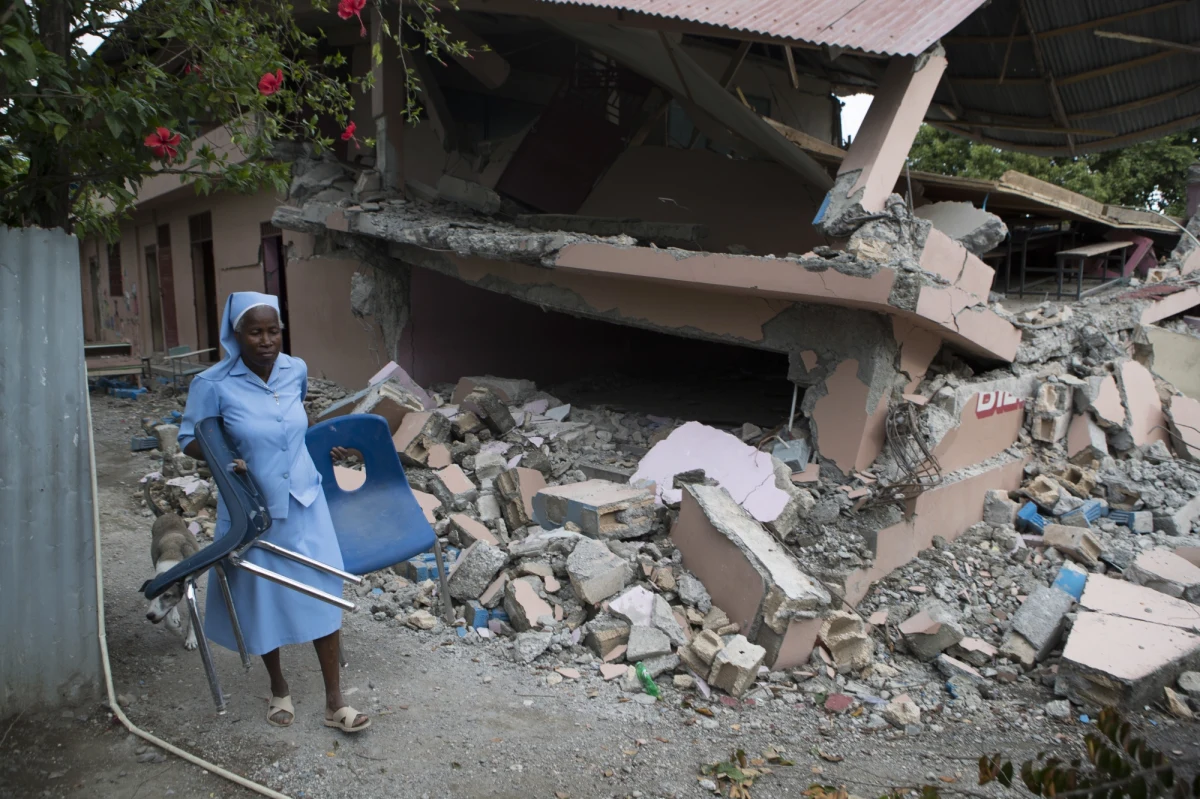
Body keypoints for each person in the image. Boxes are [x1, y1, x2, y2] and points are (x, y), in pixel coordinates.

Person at [177, 291, 369, 733]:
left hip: (305, 499)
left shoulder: (294, 370)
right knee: (263, 597)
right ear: (236, 335)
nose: (266, 340)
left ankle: (335, 701)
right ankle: (278, 686)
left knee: (323, 592)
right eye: (255, 332)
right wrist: (225, 453)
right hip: (252, 509)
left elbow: (292, 426)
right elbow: (191, 438)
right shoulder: (213, 384)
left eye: (273, 330)